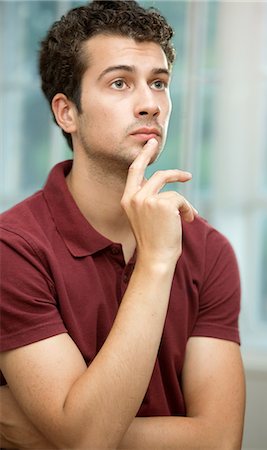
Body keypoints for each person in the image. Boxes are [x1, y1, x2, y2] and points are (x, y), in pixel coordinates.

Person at [0, 1, 245, 448]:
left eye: (159, 83)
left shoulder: (209, 249)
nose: (150, 104)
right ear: (66, 113)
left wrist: (47, 437)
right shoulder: (12, 248)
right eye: (120, 83)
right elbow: (88, 438)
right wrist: (157, 262)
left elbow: (221, 441)